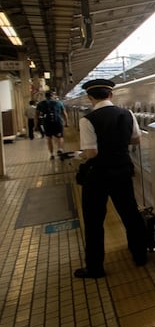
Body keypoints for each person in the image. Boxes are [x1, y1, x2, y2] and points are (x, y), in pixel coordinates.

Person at [73, 79, 147, 279]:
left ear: (90, 98)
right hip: (122, 171)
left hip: (98, 175)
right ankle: (140, 255)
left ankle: (95, 267)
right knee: (130, 213)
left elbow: (91, 152)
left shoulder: (87, 119)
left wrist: (80, 155)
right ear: (110, 95)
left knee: (94, 220)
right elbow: (136, 140)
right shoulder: (127, 114)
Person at [36, 91, 68, 158]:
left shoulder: (41, 104)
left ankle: (51, 154)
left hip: (47, 122)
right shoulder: (59, 103)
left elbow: (36, 115)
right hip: (58, 121)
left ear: (45, 96)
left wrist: (36, 125)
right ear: (52, 96)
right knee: (60, 137)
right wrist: (66, 122)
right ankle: (60, 149)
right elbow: (64, 113)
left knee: (49, 138)